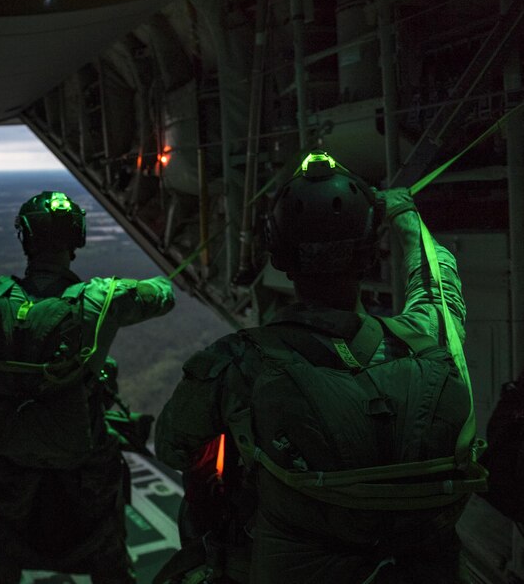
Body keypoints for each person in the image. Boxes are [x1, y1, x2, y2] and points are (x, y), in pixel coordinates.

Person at [155, 152, 487, 583]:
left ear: (279, 258)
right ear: (370, 255)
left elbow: (173, 447)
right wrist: (403, 212)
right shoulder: (427, 340)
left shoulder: (238, 363)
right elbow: (437, 283)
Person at [0, 191, 174, 583]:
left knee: (1, 547)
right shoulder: (100, 299)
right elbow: (164, 295)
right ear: (76, 237)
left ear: (26, 237)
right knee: (107, 552)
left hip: (7, 466)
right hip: (83, 468)